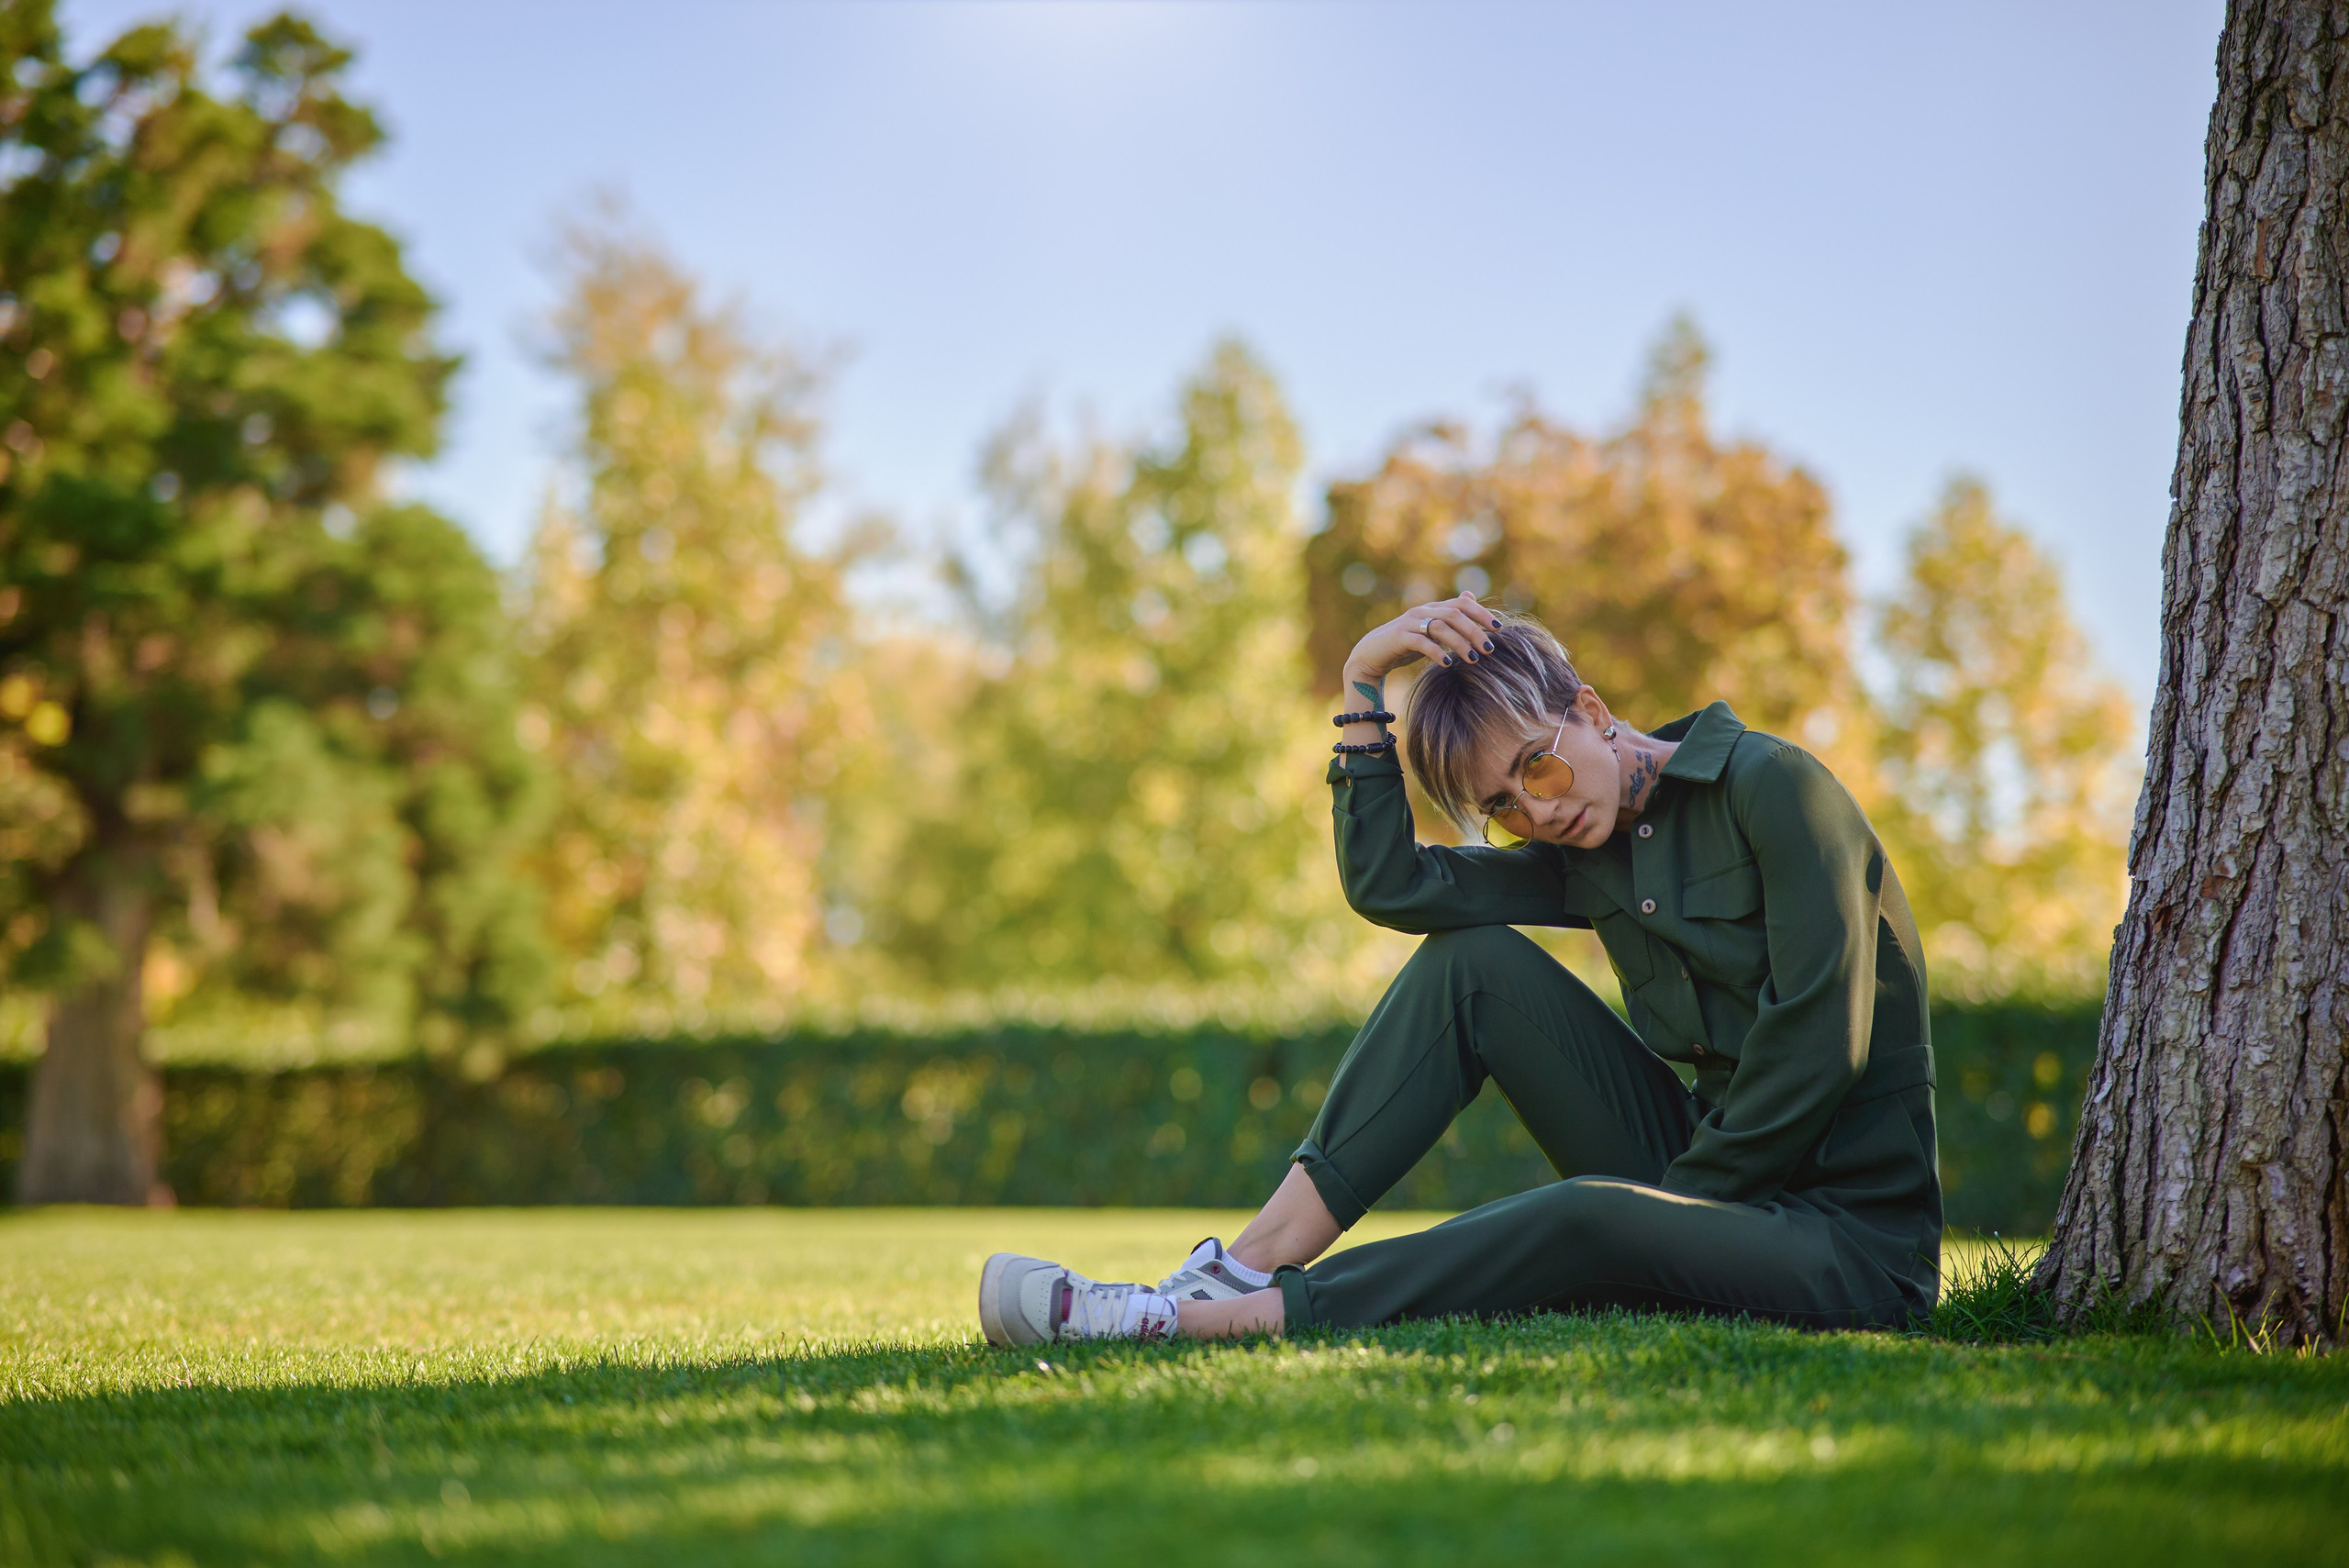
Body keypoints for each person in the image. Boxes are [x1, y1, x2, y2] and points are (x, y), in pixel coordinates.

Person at [977, 591, 1940, 1346]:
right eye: (1505, 806)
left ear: (1591, 712)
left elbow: (1820, 1043)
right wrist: (1362, 681)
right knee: (1470, 964)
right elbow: (1397, 887)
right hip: (1708, 1184)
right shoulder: (1594, 851)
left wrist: (1661, 1213)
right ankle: (1243, 1264)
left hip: (1844, 1244)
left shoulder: (1776, 788)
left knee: (1583, 1219)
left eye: (1541, 766)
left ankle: (1196, 1324)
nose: (1537, 810)